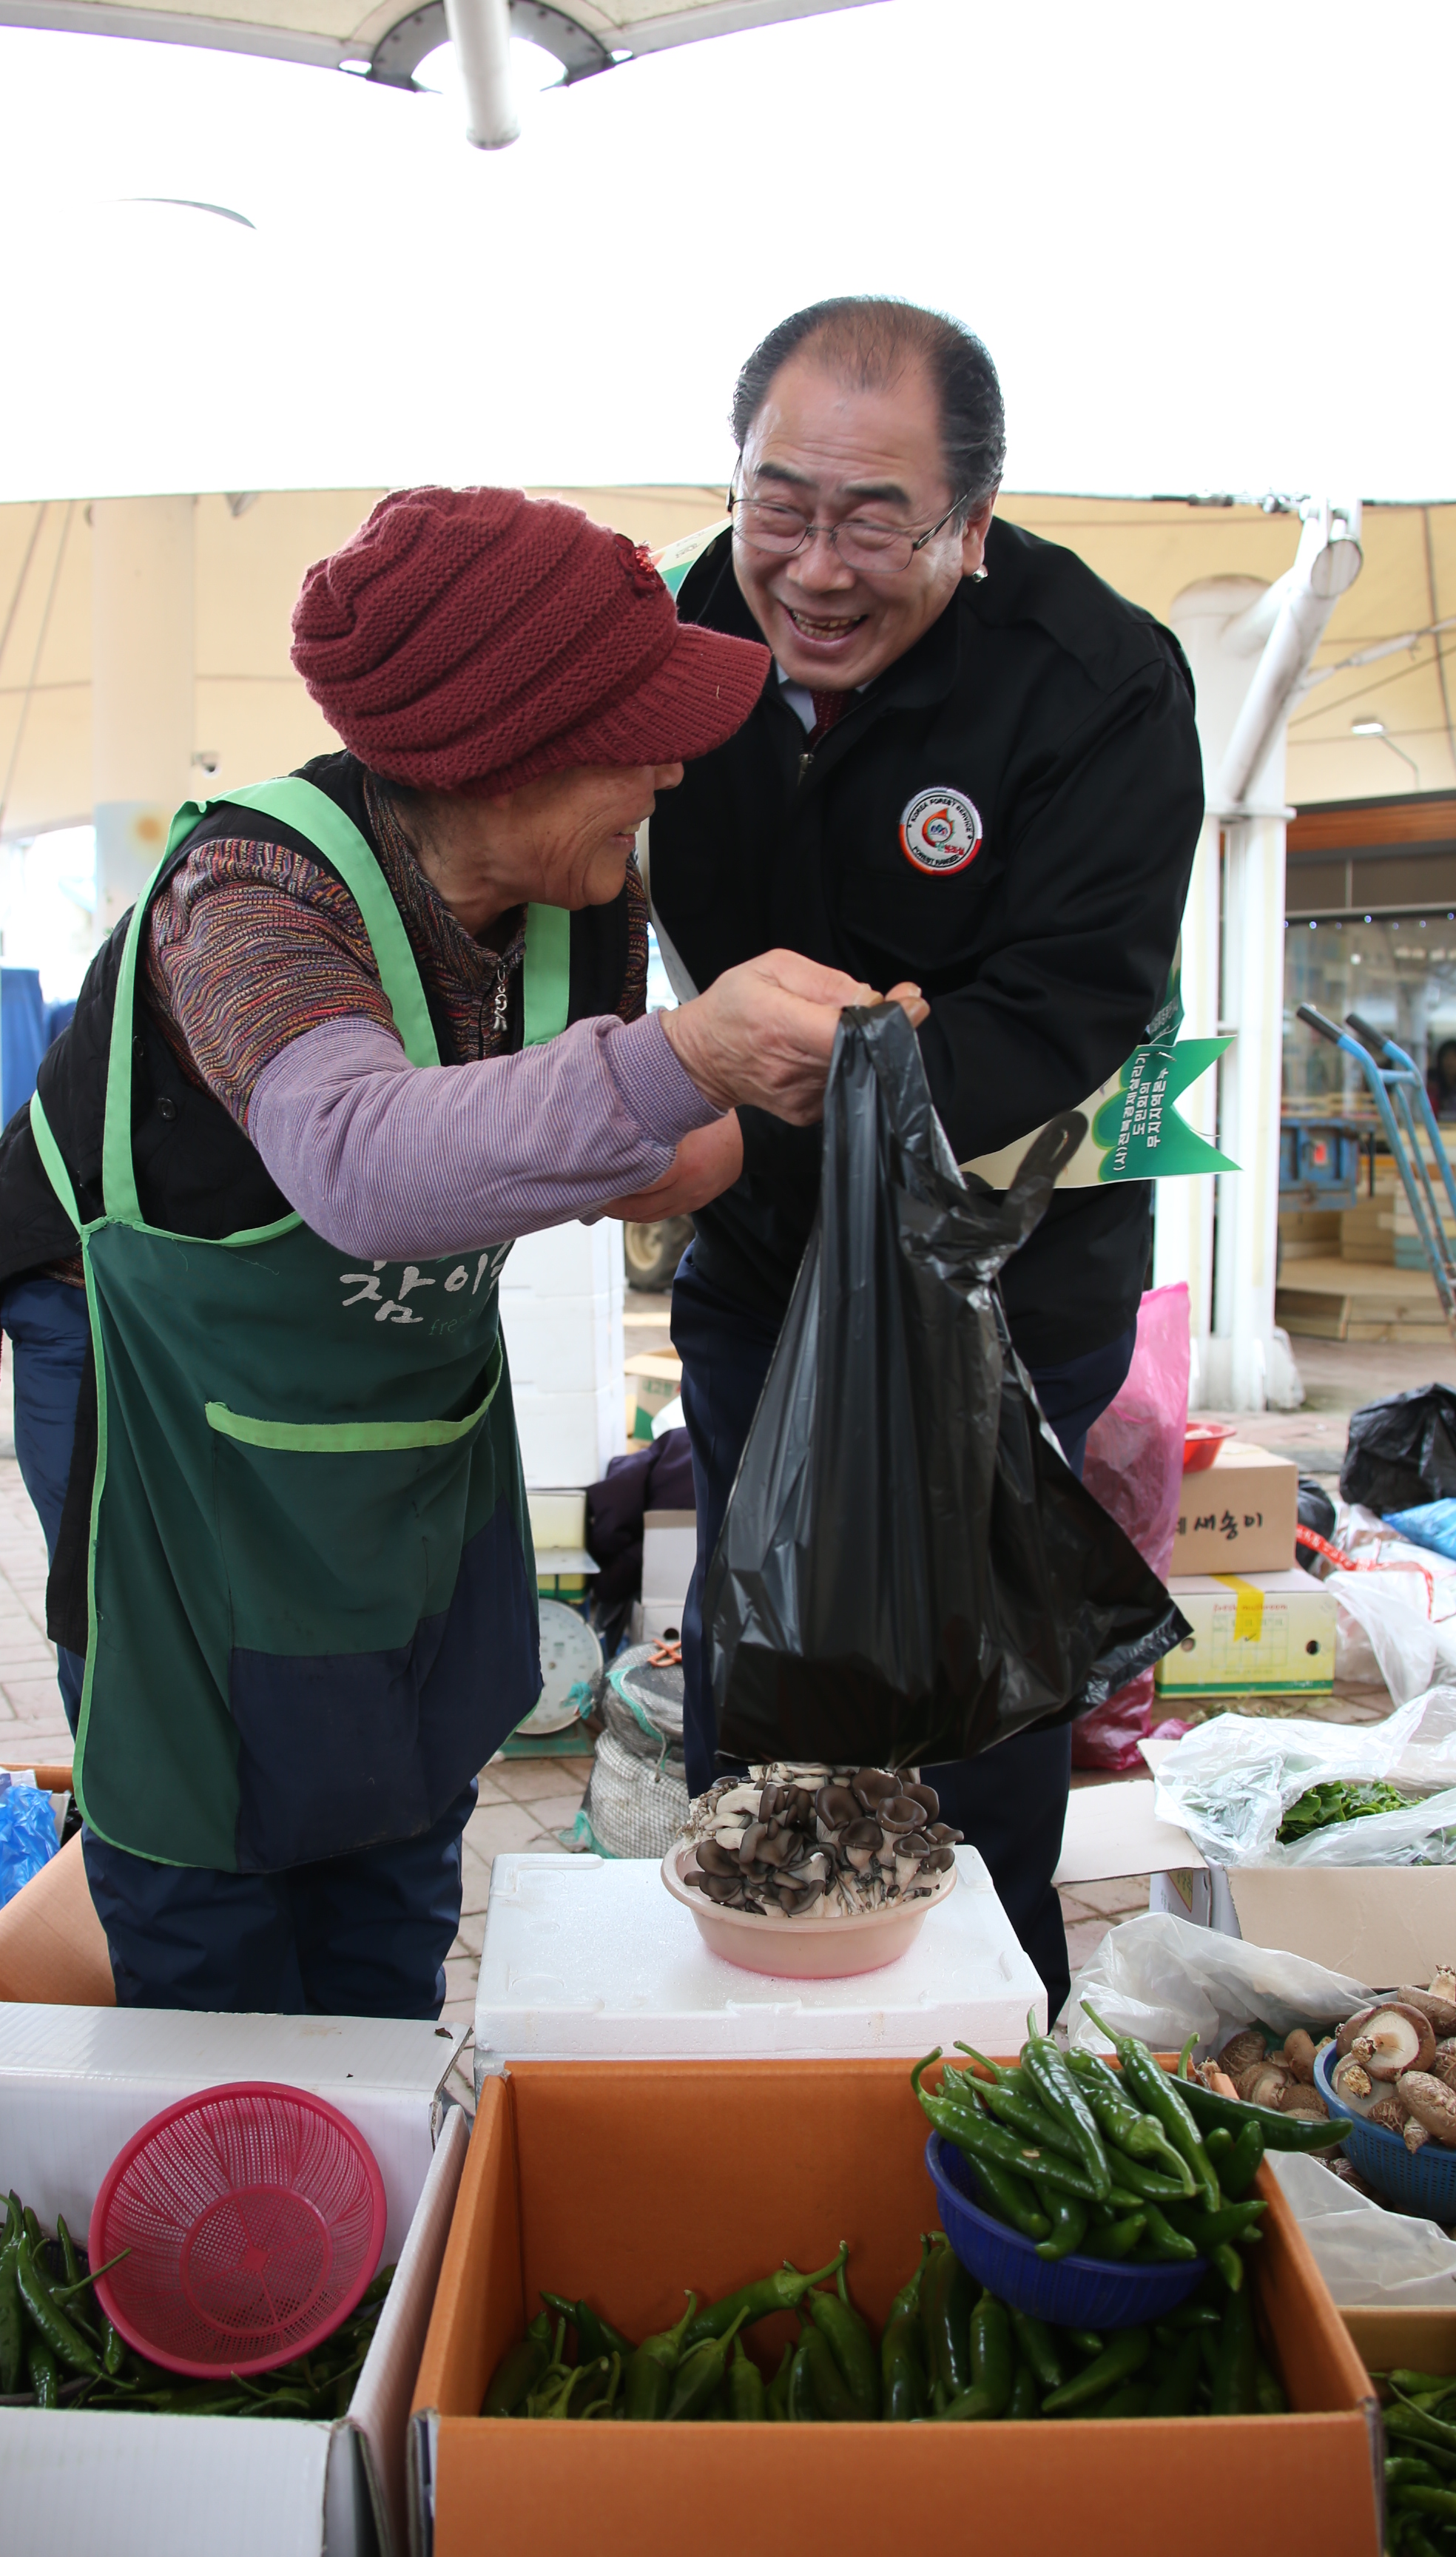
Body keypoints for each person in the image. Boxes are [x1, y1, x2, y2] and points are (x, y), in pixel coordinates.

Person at [0, 485, 921, 2021]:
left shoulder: (579, 896)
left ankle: (385, 2123)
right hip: (155, 1373)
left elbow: (658, 1148)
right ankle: (230, 2135)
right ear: (494, 750)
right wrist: (679, 1061)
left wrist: (764, 1076)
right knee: (213, 1825)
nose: (672, 763)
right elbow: (357, 1164)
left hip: (395, 1386)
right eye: (633, 731)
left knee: (397, 1787)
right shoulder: (250, 894)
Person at [614, 299, 1204, 2017]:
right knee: (769, 1655)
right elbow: (579, 872)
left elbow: (1070, 1002)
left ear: (976, 516)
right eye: (776, 506)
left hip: (999, 1288)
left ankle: (974, 2045)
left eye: (874, 519)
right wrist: (647, 1082)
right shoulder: (669, 635)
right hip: (767, 1257)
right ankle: (766, 2025)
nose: (813, 568)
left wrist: (813, 1072)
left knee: (965, 1688)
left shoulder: (1097, 682)